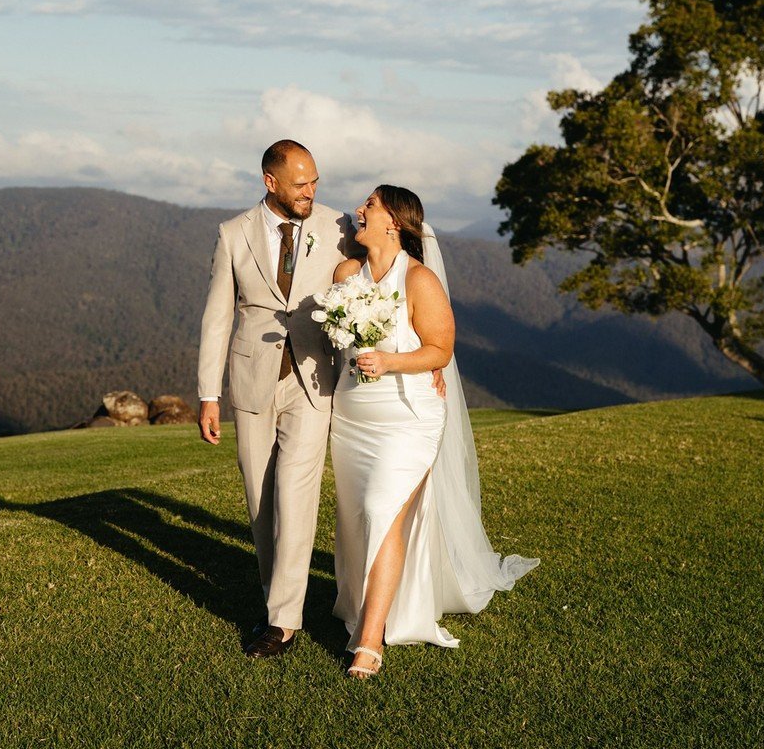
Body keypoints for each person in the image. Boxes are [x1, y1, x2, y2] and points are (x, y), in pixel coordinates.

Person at [329, 185, 538, 679]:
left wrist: (392, 361)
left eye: (371, 205)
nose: (359, 210)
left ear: (394, 222)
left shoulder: (419, 279)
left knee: (384, 511)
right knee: (359, 517)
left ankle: (370, 639)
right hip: (353, 416)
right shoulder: (345, 274)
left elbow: (440, 350)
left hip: (408, 418)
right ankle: (365, 602)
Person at [197, 139, 356, 659]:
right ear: (271, 182)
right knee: (260, 497)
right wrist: (207, 394)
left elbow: (373, 282)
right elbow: (218, 317)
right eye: (300, 184)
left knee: (295, 491)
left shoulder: (337, 227)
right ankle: (275, 600)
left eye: (315, 182)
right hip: (250, 381)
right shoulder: (233, 233)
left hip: (313, 379)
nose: (310, 192)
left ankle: (284, 621)